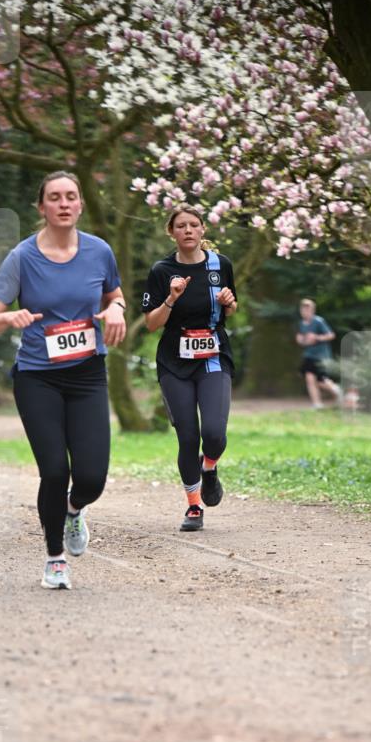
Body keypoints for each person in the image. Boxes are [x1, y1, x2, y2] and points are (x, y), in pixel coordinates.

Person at [0, 171, 126, 590]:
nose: (63, 203)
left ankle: (74, 510)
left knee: (92, 477)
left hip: (87, 375)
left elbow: (114, 295)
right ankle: (55, 557)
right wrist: (9, 317)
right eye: (54, 197)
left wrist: (117, 310)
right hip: (37, 377)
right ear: (41, 207)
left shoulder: (99, 251)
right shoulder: (22, 257)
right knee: (55, 469)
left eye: (71, 197)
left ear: (80, 205)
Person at [143, 203, 237, 532]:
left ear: (202, 231)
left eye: (193, 225)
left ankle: (208, 468)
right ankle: (194, 506)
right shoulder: (161, 270)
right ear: (172, 231)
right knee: (188, 435)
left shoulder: (220, 265)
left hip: (212, 356)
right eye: (180, 225)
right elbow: (151, 324)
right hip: (174, 361)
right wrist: (170, 298)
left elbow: (231, 309)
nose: (187, 230)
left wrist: (229, 303)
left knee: (214, 433)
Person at [296, 298, 342, 408]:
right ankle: (317, 404)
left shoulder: (318, 321)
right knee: (309, 378)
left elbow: (331, 335)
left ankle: (338, 391)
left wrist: (317, 337)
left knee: (321, 381)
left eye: (307, 310)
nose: (305, 312)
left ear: (312, 310)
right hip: (309, 355)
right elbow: (302, 339)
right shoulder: (301, 324)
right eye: (303, 310)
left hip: (321, 356)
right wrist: (301, 340)